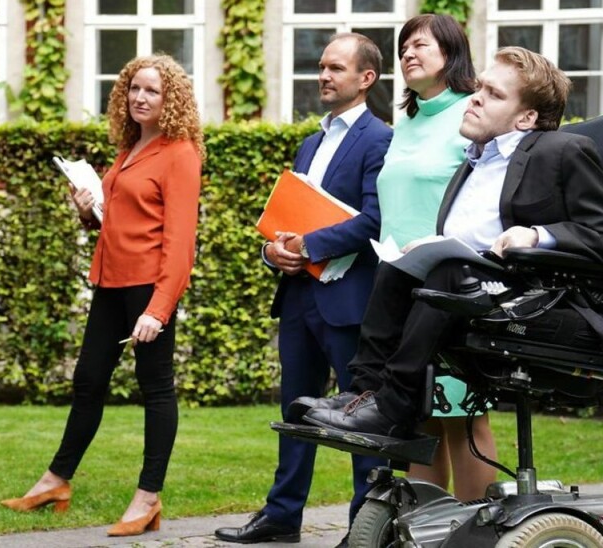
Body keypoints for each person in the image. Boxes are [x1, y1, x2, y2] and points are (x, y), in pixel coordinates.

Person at [301, 47, 603, 442]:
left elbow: (597, 231)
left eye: (494, 94)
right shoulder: (474, 159)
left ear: (527, 117)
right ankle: (365, 393)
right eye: (480, 87)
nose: (475, 97)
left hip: (540, 297)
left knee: (448, 271)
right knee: (395, 265)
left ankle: (394, 410)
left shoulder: (559, 150)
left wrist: (537, 234)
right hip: (475, 284)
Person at [0, 54, 204, 538]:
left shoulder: (180, 153)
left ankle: (148, 497)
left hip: (148, 287)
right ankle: (55, 481)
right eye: (134, 88)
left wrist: (158, 309)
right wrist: (88, 211)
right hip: (110, 281)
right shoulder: (131, 148)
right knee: (88, 379)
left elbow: (181, 242)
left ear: (170, 97)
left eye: (152, 90)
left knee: (156, 388)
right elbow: (121, 222)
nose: (140, 97)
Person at [213, 33, 391, 547]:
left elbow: (375, 221)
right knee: (295, 412)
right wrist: (274, 251)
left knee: (361, 420)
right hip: (298, 297)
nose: (324, 76)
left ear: (366, 78)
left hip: (349, 300)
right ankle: (282, 518)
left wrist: (309, 243)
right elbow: (286, 219)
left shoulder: (380, 140)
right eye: (321, 66)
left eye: (336, 68)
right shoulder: (308, 143)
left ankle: (367, 528)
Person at [369, 13, 498, 501]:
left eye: (420, 45)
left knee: (461, 416)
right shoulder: (409, 120)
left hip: (450, 288)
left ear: (452, 53)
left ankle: (475, 532)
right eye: (403, 47)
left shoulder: (471, 113)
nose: (407, 54)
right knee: (419, 416)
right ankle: (422, 530)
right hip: (400, 286)